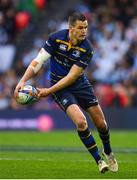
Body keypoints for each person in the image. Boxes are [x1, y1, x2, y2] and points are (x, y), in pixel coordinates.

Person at [14, 11, 118, 173]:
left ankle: (108, 151)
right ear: (71, 28)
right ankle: (99, 160)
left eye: (86, 27)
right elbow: (38, 61)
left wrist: (48, 91)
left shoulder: (87, 49)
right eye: (81, 27)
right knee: (81, 122)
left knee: (101, 124)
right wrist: (22, 81)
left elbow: (71, 77)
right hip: (61, 89)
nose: (84, 31)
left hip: (79, 85)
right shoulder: (55, 38)